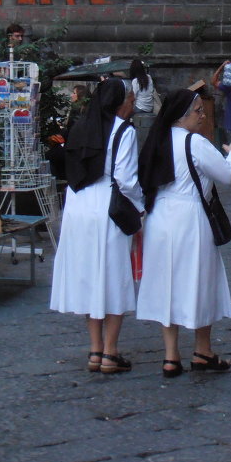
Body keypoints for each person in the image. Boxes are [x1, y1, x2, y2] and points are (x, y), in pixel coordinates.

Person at [136, 88, 231, 378]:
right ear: (183, 115)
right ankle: (202, 350)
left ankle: (171, 355)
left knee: (165, 281)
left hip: (160, 217)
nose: (203, 114)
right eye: (198, 110)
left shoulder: (156, 141)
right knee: (200, 279)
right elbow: (228, 176)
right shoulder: (195, 143)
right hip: (191, 216)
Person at [50, 79, 142, 374]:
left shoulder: (79, 127)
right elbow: (126, 180)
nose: (133, 103)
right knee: (113, 277)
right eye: (129, 97)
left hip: (78, 207)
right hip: (107, 207)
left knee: (90, 276)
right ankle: (111, 352)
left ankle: (94, 349)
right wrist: (141, 207)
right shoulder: (124, 131)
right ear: (118, 102)